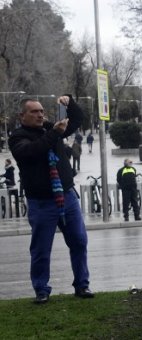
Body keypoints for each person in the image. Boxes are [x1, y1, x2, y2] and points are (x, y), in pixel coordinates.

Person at [8, 95, 94, 304]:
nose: (40, 115)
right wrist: (54, 132)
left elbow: (77, 120)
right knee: (41, 249)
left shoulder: (49, 129)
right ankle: (41, 289)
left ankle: (82, 285)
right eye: (34, 112)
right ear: (22, 116)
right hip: (41, 202)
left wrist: (70, 103)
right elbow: (33, 151)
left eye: (41, 111)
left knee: (79, 242)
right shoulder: (18, 137)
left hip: (66, 196)